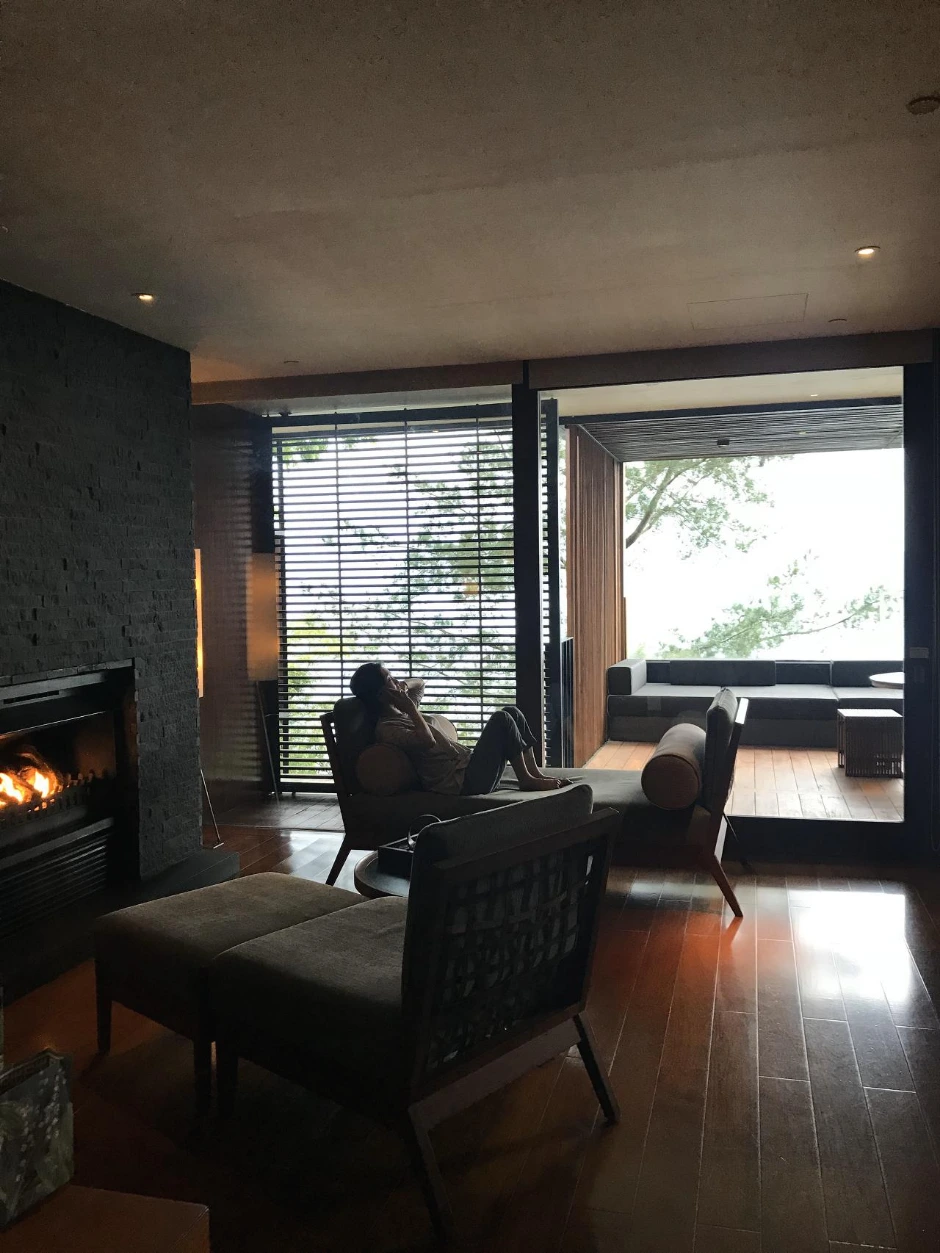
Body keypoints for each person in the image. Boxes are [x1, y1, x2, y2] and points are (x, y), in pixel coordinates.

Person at [349, 662, 566, 796]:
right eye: (390, 679)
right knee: (502, 719)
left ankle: (533, 773)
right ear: (381, 695)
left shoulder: (403, 710)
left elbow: (420, 683)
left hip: (468, 767)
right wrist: (411, 708)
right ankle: (526, 780)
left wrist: (403, 687)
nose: (396, 680)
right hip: (462, 783)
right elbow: (426, 741)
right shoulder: (388, 728)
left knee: (512, 711)